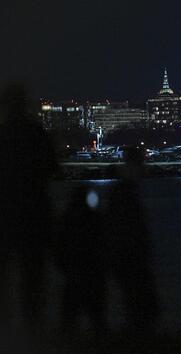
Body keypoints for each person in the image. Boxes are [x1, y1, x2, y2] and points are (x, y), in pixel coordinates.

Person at [0, 83, 57, 331]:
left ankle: (8, 332)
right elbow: (52, 168)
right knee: (33, 275)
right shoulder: (35, 133)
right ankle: (34, 330)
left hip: (5, 214)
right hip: (33, 212)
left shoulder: (2, 134)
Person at [105, 147, 159, 335]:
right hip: (130, 254)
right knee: (139, 298)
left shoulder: (122, 190)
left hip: (123, 253)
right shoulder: (127, 192)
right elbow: (132, 226)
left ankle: (134, 333)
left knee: (133, 297)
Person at [56, 185, 108, 337]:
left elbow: (59, 248)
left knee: (70, 317)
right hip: (93, 274)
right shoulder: (97, 219)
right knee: (97, 316)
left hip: (74, 274)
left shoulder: (67, 220)